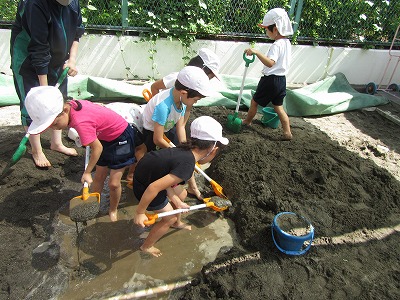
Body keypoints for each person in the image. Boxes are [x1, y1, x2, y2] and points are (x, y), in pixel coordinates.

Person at [24, 86, 145, 222]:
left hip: (121, 138)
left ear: (64, 110)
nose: (54, 128)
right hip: (103, 137)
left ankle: (113, 210)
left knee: (114, 183)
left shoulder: (81, 123)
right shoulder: (71, 105)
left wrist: (87, 172)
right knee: (99, 176)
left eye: (55, 123)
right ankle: (93, 205)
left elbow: (97, 148)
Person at [133, 116, 229, 257]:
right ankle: (146, 246)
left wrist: (177, 201)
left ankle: (176, 223)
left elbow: (165, 178)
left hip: (151, 175)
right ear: (213, 150)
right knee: (169, 217)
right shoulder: (186, 167)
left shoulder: (183, 150)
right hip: (145, 185)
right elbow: (153, 187)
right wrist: (140, 213)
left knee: (182, 195)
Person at [10, 0, 85, 168]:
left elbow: (77, 33)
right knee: (35, 104)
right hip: (28, 60)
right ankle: (36, 150)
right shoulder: (35, 4)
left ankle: (56, 143)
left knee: (59, 100)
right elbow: (39, 48)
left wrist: (71, 60)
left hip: (57, 59)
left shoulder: (73, 3)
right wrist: (44, 92)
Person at [242, 8, 293, 141]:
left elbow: (270, 63)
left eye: (266, 29)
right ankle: (287, 132)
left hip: (270, 80)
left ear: (275, 29)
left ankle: (247, 122)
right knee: (279, 108)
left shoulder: (277, 45)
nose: (266, 32)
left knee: (254, 102)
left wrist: (256, 52)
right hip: (281, 80)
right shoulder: (287, 43)